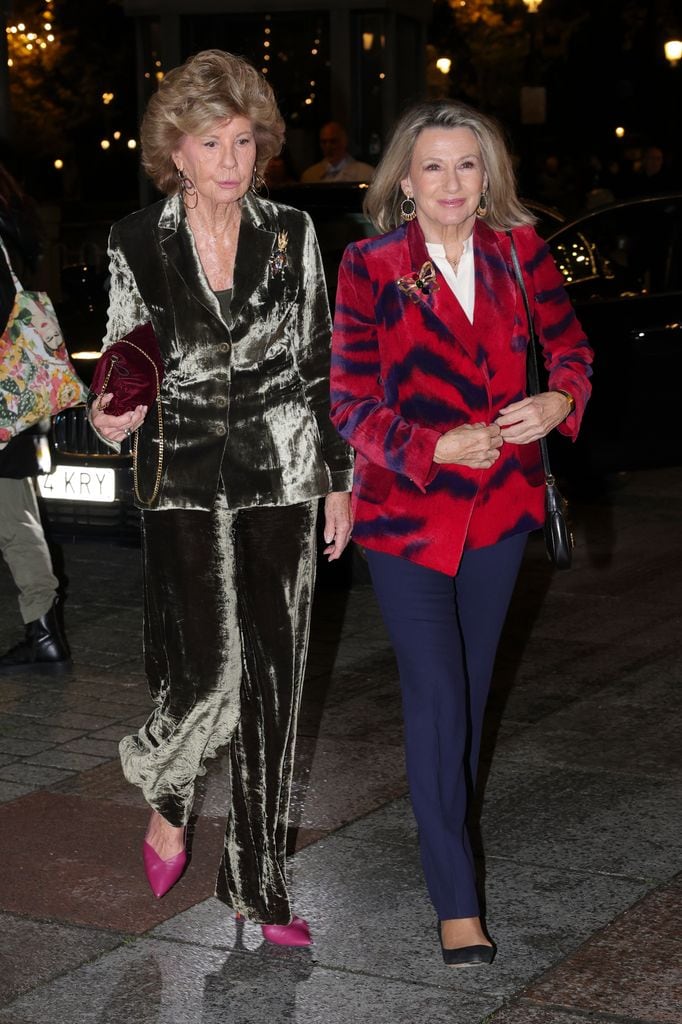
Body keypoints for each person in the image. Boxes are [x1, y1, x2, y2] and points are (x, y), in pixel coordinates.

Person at [90, 49, 353, 945]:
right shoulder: (134, 239)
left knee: (276, 681)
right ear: (179, 151)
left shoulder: (292, 233)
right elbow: (126, 356)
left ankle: (257, 884)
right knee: (203, 670)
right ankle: (166, 790)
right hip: (180, 480)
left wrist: (339, 481)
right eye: (213, 142)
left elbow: (322, 365)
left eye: (245, 140)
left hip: (282, 472)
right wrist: (111, 416)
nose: (232, 160)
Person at [330, 100, 593, 966]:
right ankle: (456, 896)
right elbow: (349, 403)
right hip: (406, 517)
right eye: (433, 167)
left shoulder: (523, 255)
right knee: (438, 695)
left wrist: (557, 401)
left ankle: (444, 826)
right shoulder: (370, 267)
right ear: (405, 181)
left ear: (490, 177)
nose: (451, 183)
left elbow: (572, 352)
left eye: (467, 166)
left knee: (470, 701)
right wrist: (429, 444)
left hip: (502, 513)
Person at [0, 164, 70, 673]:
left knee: (15, 522)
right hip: (11, 402)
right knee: (16, 520)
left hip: (4, 405)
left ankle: (44, 634)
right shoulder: (9, 237)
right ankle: (44, 634)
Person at [301, 121, 375, 183]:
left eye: (333, 141)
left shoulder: (366, 174)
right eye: (324, 142)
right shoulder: (310, 176)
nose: (328, 147)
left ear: (345, 142)